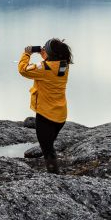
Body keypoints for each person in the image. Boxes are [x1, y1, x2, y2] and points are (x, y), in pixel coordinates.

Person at [18, 39, 73, 174]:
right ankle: (53, 172)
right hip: (60, 115)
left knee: (47, 148)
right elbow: (51, 65)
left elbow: (23, 70)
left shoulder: (44, 68)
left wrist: (27, 53)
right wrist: (46, 56)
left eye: (46, 49)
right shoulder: (64, 65)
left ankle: (54, 176)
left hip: (46, 115)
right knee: (49, 144)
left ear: (51, 55)